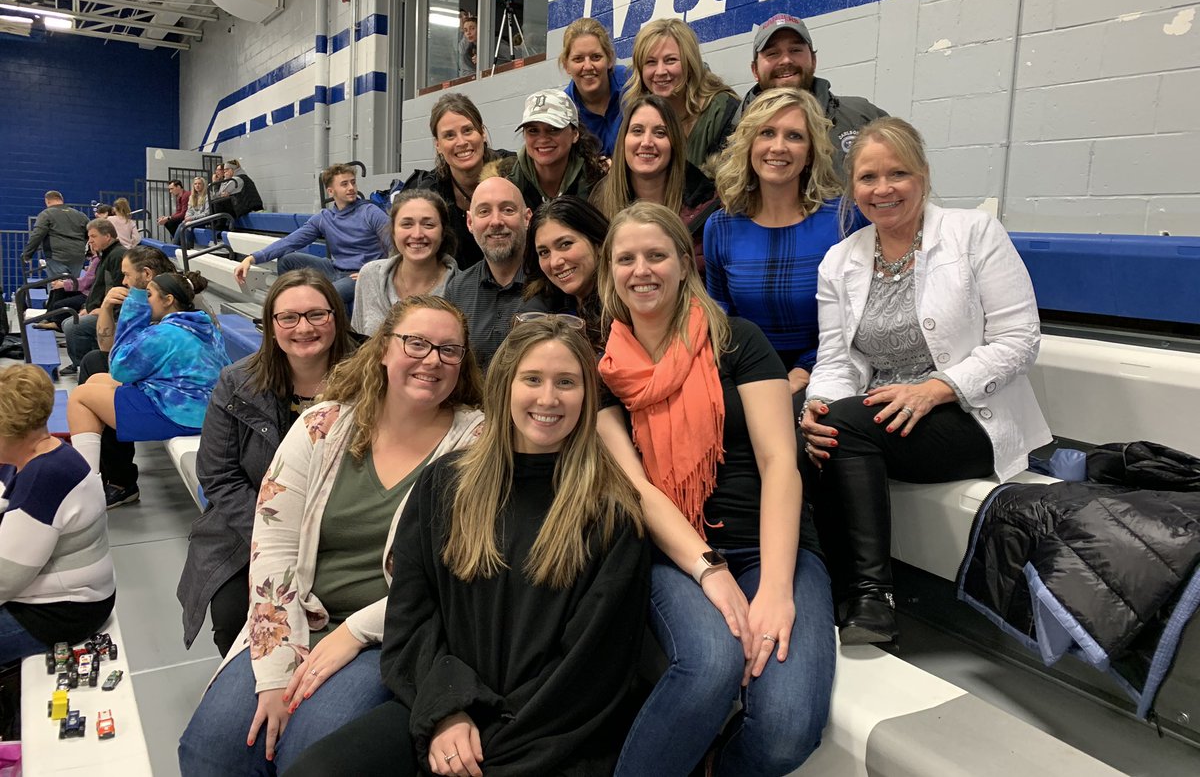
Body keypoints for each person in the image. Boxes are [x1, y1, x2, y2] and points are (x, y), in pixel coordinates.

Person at [283, 317, 651, 777]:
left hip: (548, 733)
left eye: (567, 383)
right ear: (504, 386)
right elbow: (412, 615)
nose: (548, 398)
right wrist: (448, 710)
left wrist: (488, 747)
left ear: (587, 396)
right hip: (446, 703)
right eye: (532, 379)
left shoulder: (611, 511)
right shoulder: (446, 483)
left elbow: (592, 670)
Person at [178, 296, 485, 776]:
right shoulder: (321, 427)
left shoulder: (477, 446)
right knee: (212, 748)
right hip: (295, 616)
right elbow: (272, 547)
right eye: (417, 343)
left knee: (307, 752)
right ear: (383, 349)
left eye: (449, 350)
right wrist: (275, 671)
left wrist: (353, 632)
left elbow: (453, 577)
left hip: (387, 633)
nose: (432, 360)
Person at [596, 202, 835, 777]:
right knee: (710, 666)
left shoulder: (739, 342)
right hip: (673, 552)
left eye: (656, 255)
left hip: (770, 545)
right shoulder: (603, 368)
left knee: (785, 730)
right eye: (625, 259)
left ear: (684, 262)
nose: (641, 270)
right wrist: (709, 569)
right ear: (610, 272)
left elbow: (782, 463)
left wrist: (776, 590)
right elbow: (638, 490)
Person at [800, 117, 1052, 645]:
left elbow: (1019, 339)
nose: (883, 189)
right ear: (853, 188)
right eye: (868, 178)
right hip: (881, 420)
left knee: (846, 427)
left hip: (968, 418)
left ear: (923, 176)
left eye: (898, 174)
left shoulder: (973, 234)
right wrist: (818, 406)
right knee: (816, 429)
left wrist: (936, 388)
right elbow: (836, 362)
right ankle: (820, 588)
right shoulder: (839, 261)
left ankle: (869, 595)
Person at [178, 270, 359, 657]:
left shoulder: (369, 380)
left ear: (336, 318)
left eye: (317, 315)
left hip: (342, 529)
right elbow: (219, 476)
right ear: (271, 326)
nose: (303, 328)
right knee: (231, 616)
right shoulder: (236, 383)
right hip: (250, 528)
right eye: (289, 317)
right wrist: (276, 536)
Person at [706, 87, 860, 399]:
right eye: (767, 133)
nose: (778, 147)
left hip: (831, 371)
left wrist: (805, 369)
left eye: (794, 136)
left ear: (810, 153)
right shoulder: (720, 227)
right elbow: (720, 317)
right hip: (748, 371)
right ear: (750, 145)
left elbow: (859, 317)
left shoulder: (845, 220)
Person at [67, 271, 230, 507]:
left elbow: (120, 368)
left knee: (81, 397)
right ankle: (104, 476)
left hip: (181, 413)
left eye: (150, 295)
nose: (146, 300)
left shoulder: (165, 333)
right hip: (201, 407)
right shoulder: (204, 326)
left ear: (168, 300)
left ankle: (85, 490)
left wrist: (133, 313)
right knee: (96, 381)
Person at [0, 365, 115, 665]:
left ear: (11, 433)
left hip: (62, 612)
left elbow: (5, 578)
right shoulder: (46, 453)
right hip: (71, 599)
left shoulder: (42, 479)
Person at [89, 245, 185, 508]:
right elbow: (106, 348)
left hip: (172, 396)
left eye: (126, 274)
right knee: (93, 365)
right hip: (150, 378)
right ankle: (106, 473)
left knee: (93, 389)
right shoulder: (140, 297)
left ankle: (118, 482)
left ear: (146, 274)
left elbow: (123, 364)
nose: (123, 281)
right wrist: (107, 307)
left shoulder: (176, 299)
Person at [736, 13, 887, 173]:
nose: (786, 60)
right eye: (772, 53)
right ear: (755, 70)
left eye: (795, 50)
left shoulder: (863, 116)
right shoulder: (734, 134)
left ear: (813, 61)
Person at [233, 164, 390, 313]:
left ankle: (302, 315)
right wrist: (252, 259)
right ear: (330, 191)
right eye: (344, 184)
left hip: (359, 275)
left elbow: (398, 247)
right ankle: (289, 309)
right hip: (334, 269)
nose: (351, 188)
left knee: (324, 296)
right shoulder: (324, 217)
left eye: (353, 183)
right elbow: (290, 242)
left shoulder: (371, 212)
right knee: (288, 260)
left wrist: (373, 271)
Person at [591, 94, 718, 270]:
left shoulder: (708, 206)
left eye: (660, 133)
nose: (647, 142)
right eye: (637, 130)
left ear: (674, 143)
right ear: (623, 140)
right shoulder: (600, 199)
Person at [443, 176, 543, 370]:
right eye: (484, 212)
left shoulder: (551, 282)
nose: (496, 221)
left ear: (527, 218)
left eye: (507, 209)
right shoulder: (458, 290)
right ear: (470, 223)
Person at [408, 93, 511, 271]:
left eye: (467, 130)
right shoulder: (430, 194)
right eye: (449, 135)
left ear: (483, 133)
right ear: (438, 145)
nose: (461, 142)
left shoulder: (513, 172)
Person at [624, 18, 739, 171]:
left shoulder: (723, 111)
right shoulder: (638, 113)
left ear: (689, 63)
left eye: (670, 60)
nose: (660, 72)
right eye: (650, 62)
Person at [352, 189, 458, 336]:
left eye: (428, 225)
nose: (417, 234)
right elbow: (357, 346)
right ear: (393, 232)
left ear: (443, 232)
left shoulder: (461, 287)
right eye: (407, 224)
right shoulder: (370, 276)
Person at [523, 196, 608, 350]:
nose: (555, 262)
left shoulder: (627, 308)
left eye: (565, 244)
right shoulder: (538, 313)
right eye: (544, 252)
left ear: (599, 244)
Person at [508, 89, 607, 212]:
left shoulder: (598, 181)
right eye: (533, 130)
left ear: (575, 134)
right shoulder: (507, 185)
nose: (543, 139)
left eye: (554, 129)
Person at [61, 218, 127, 376]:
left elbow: (120, 289)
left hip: (113, 314)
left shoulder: (118, 256)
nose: (89, 241)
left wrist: (105, 310)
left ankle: (86, 366)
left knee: (73, 327)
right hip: (98, 308)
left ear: (107, 236)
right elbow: (99, 287)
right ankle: (85, 363)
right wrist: (87, 307)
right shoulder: (106, 254)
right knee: (67, 321)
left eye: (93, 236)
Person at [560, 17, 629, 157]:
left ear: (609, 59)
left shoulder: (632, 84)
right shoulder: (563, 110)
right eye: (578, 59)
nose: (588, 66)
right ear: (567, 65)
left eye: (596, 57)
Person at [22, 190, 88, 278]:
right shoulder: (80, 215)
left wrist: (27, 254)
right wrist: (88, 252)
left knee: (58, 286)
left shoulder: (46, 214)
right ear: (62, 200)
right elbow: (90, 233)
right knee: (72, 286)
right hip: (78, 256)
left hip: (57, 257)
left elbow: (37, 235)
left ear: (47, 201)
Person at [177, 175, 211, 248]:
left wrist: (192, 218)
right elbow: (189, 210)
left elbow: (207, 213)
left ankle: (187, 247)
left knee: (186, 225)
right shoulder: (192, 196)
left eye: (199, 184)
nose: (197, 185)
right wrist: (187, 216)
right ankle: (180, 246)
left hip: (204, 219)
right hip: (194, 219)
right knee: (182, 224)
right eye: (195, 184)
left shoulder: (207, 196)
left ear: (203, 185)